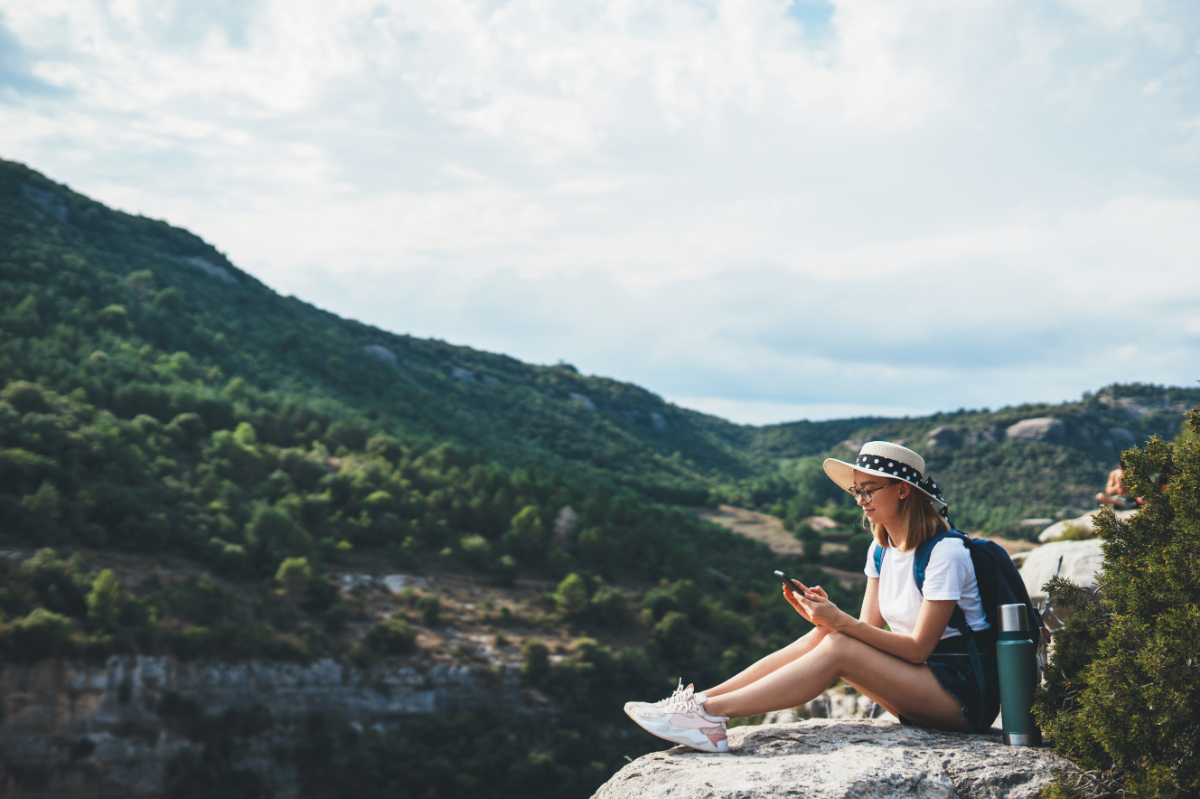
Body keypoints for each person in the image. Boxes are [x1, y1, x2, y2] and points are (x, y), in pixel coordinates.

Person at [623, 441, 999, 753]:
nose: (860, 500)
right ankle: (697, 703)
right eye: (857, 491)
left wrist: (841, 622)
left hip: (961, 696)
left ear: (902, 490)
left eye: (869, 490)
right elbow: (867, 629)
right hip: (919, 683)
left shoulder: (945, 554)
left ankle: (710, 715)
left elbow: (917, 649)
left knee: (840, 645)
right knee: (828, 636)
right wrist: (825, 618)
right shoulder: (881, 549)